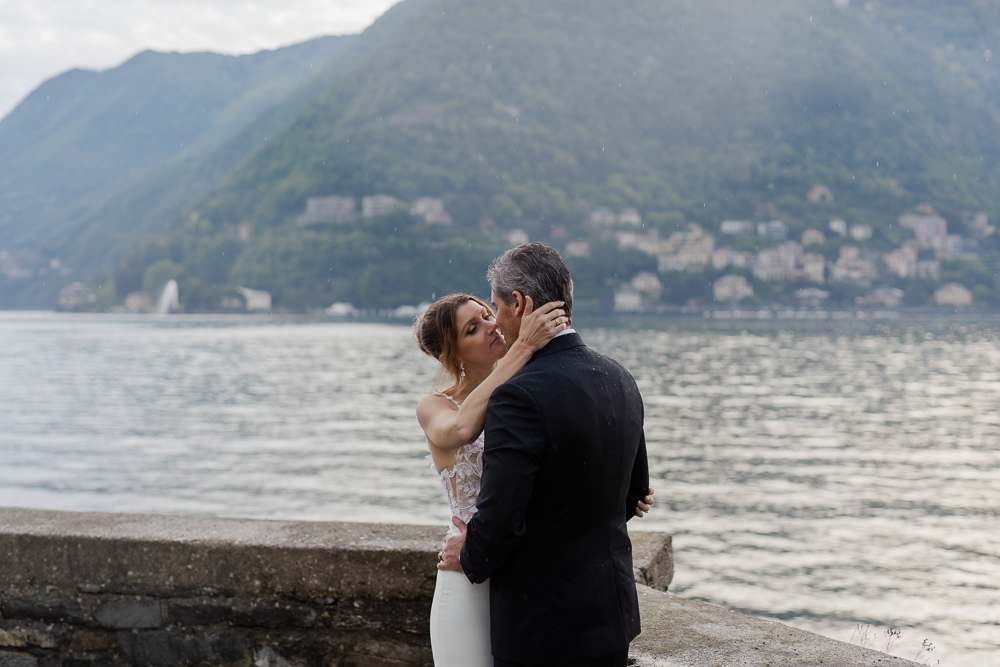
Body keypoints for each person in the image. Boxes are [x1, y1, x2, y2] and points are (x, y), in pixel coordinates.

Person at [437, 243, 651, 667]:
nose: (495, 321)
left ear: (519, 304)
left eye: (495, 307)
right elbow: (633, 494)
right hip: (612, 615)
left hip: (544, 626)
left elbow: (500, 521)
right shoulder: (619, 376)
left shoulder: (517, 396)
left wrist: (469, 552)